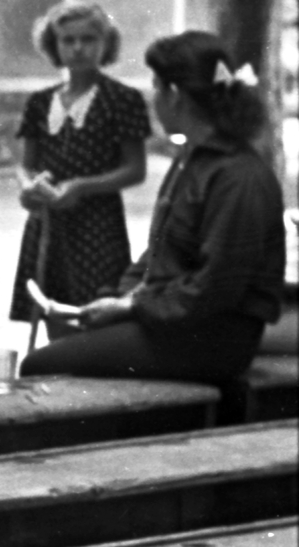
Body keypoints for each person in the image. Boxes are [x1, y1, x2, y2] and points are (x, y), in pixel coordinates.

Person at [22, 31, 284, 384]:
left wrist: (132, 307)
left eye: (156, 87)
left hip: (212, 338)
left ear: (174, 96)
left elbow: (217, 286)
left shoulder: (238, 177)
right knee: (65, 347)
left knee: (40, 366)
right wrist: (115, 297)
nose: (153, 98)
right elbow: (160, 251)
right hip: (175, 322)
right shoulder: (191, 158)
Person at [8, 2, 150, 332]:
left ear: (106, 43)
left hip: (97, 226)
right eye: (67, 40)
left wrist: (82, 187)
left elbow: (135, 169)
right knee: (51, 312)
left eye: (88, 39)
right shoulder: (40, 102)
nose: (78, 48)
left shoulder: (122, 99)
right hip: (47, 224)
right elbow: (26, 164)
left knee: (93, 314)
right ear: (53, 45)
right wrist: (28, 188)